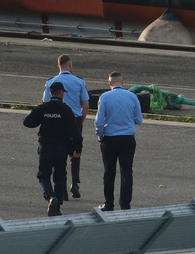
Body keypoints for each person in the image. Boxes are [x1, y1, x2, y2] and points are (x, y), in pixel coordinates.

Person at [23, 81, 81, 216]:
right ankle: (57, 206)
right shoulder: (66, 110)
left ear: (50, 93)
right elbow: (75, 132)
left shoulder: (43, 108)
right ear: (61, 93)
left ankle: (50, 196)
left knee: (43, 175)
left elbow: (27, 122)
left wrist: (41, 117)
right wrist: (77, 149)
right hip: (61, 147)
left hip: (45, 146)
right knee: (60, 176)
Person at [94, 71, 142, 211]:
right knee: (126, 172)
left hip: (110, 139)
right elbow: (139, 119)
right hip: (127, 138)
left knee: (109, 172)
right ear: (123, 82)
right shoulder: (132, 96)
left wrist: (100, 136)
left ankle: (108, 203)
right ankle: (125, 204)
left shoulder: (105, 97)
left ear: (109, 83)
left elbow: (98, 121)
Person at [43, 54, 89, 198]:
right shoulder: (79, 81)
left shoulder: (51, 81)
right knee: (75, 153)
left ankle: (61, 188)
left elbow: (46, 103)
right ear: (70, 65)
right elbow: (86, 104)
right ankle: (75, 183)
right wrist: (81, 120)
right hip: (74, 120)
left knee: (60, 152)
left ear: (58, 66)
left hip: (58, 121)